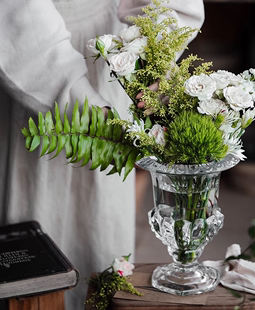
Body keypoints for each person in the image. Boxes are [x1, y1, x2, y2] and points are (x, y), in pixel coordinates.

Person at [0, 0, 205, 309]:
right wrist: (84, 104)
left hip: (111, 61)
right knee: (34, 248)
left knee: (101, 232)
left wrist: (150, 58)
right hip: (36, 71)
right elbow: (17, 12)